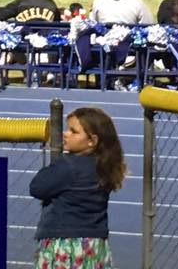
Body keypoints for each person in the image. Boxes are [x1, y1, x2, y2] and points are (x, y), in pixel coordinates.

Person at [29, 107, 125, 269]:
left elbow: (37, 187)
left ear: (92, 141)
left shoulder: (68, 166)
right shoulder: (104, 167)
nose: (66, 134)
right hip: (95, 245)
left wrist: (56, 161)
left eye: (73, 131)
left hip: (64, 244)